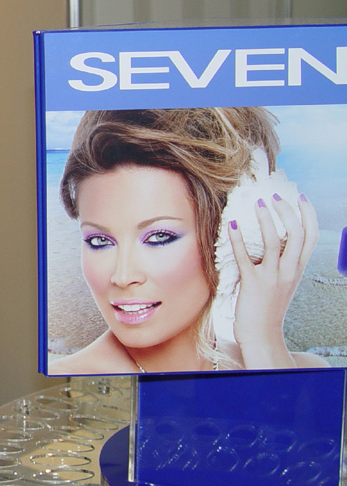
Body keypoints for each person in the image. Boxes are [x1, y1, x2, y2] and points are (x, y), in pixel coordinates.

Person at [49, 107, 327, 375]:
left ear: (230, 230)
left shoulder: (303, 370)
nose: (123, 277)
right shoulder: (63, 388)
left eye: (159, 237)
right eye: (99, 241)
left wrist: (263, 340)